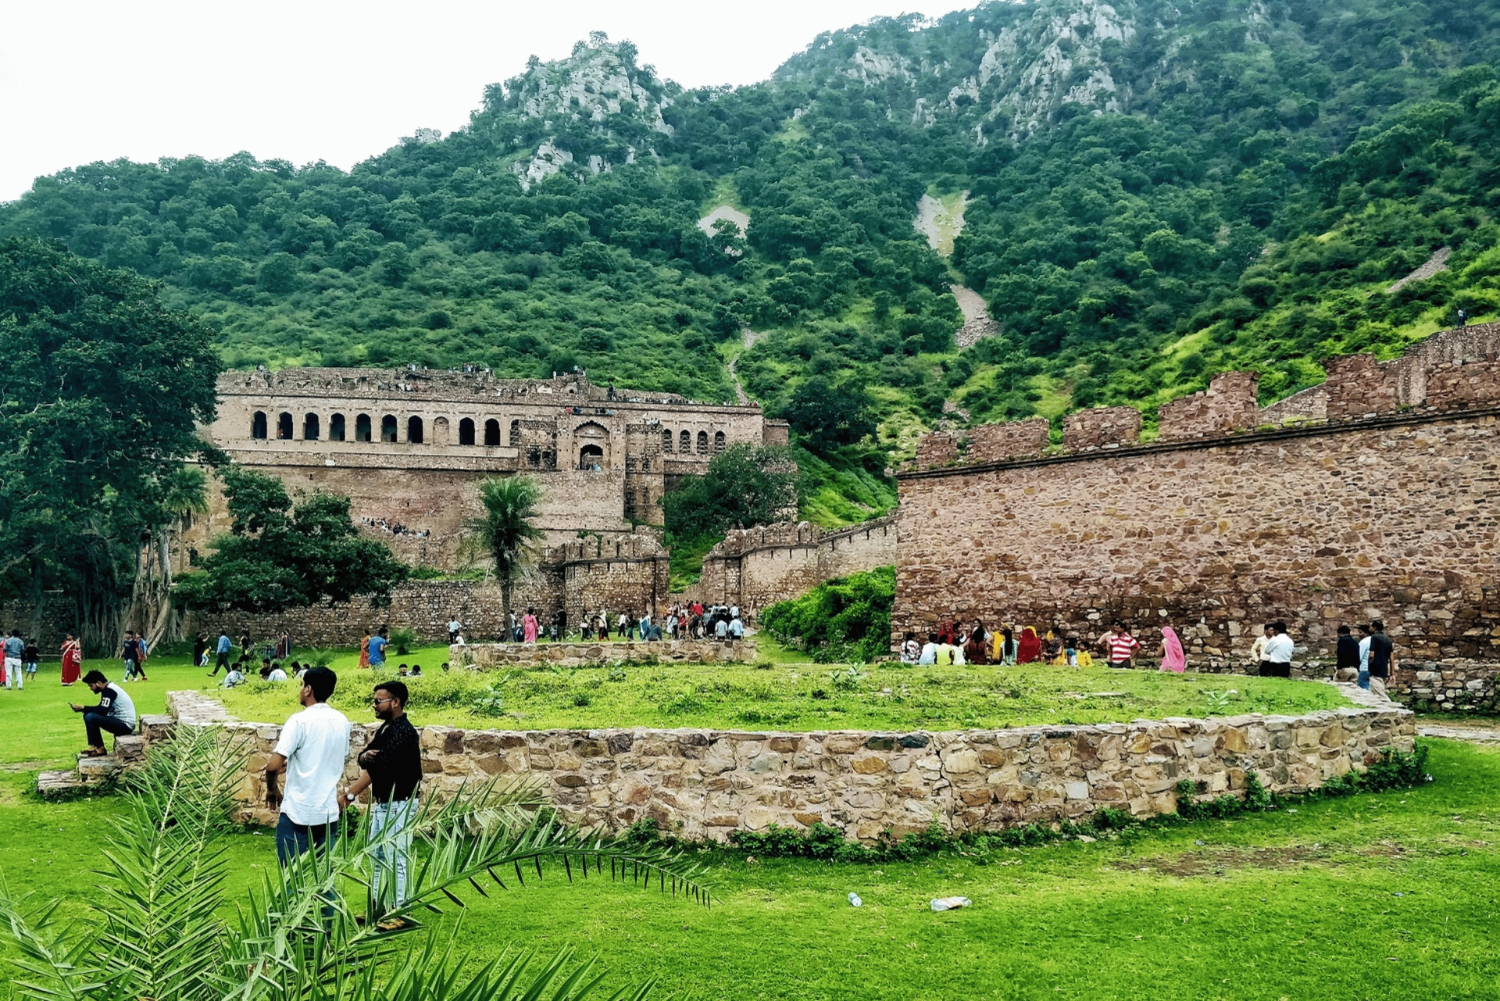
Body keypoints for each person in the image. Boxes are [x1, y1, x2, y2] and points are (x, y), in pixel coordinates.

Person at [341, 680, 422, 924]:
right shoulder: (386, 729)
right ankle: (378, 908)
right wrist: (365, 756)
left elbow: (379, 764)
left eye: (378, 701)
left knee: (396, 857)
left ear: (395, 702)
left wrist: (350, 794)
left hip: (400, 803)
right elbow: (364, 757)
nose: (374, 705)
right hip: (384, 802)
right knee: (377, 855)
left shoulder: (404, 732)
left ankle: (399, 911)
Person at [265, 667, 351, 875]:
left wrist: (272, 789)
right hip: (327, 812)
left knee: (292, 880)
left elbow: (272, 766)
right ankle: (326, 909)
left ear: (308, 690)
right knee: (324, 879)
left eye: (302, 684)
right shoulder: (342, 721)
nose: (300, 689)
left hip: (298, 811)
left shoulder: (299, 721)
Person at [70, 670, 136, 756]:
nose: (90, 688)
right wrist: (84, 709)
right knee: (89, 715)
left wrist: (84, 708)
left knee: (90, 717)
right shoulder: (108, 689)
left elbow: (102, 711)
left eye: (91, 685)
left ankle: (99, 748)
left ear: (98, 683)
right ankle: (95, 746)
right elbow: (102, 709)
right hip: (121, 722)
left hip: (125, 725)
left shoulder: (109, 690)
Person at [1367, 620, 1395, 699]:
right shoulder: (1388, 639)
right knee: (1375, 693)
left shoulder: (1374, 637)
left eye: (1371, 627)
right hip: (1384, 669)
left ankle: (1392, 708)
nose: (1370, 628)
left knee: (1380, 694)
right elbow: (1392, 657)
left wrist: (1369, 664)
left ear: (1375, 628)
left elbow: (1372, 654)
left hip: (1375, 668)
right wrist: (1392, 673)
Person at [1357, 624, 1373, 690]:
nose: (1359, 634)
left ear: (1366, 633)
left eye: (1360, 632)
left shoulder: (1363, 642)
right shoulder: (1374, 640)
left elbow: (1359, 656)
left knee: (1363, 688)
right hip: (1373, 669)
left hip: (1364, 668)